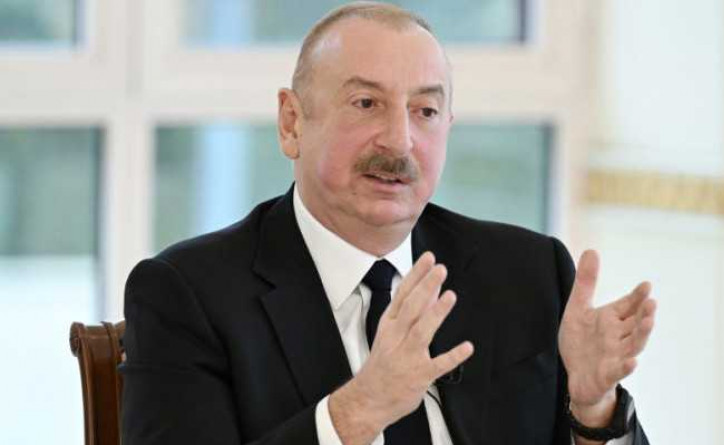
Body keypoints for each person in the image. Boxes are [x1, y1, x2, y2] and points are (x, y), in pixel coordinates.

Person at [121, 3, 656, 445]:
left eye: (425, 111)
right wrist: (358, 411)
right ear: (292, 123)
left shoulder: (526, 272)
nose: (399, 141)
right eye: (366, 103)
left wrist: (593, 409)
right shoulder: (187, 295)